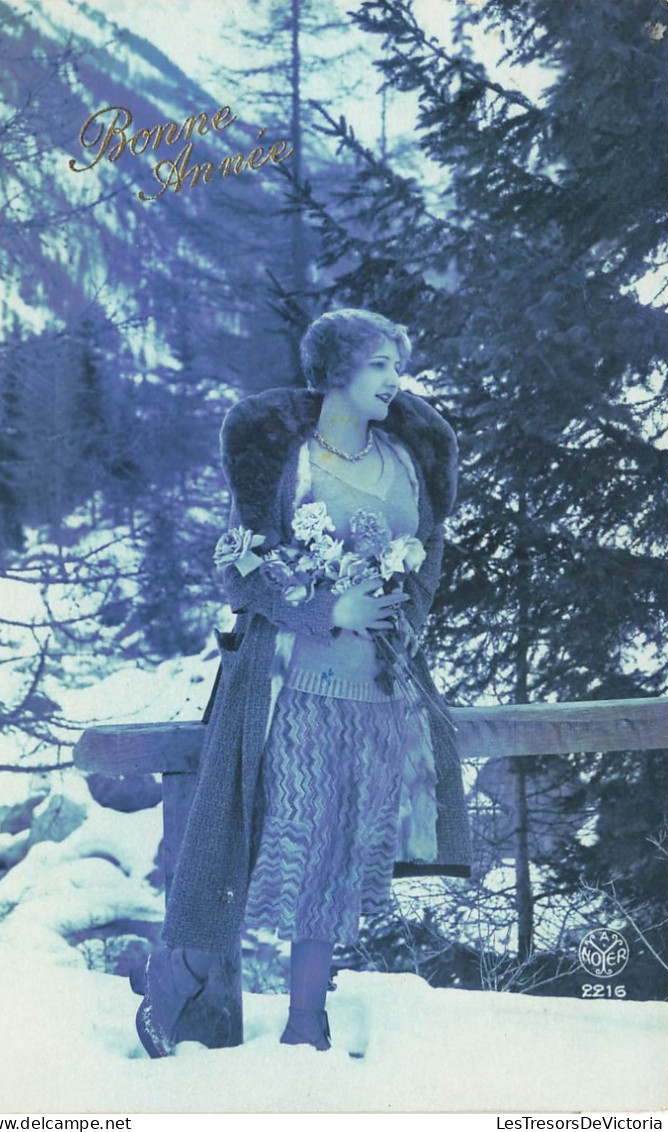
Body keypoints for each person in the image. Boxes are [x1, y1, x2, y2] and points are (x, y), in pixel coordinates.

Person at [136, 309, 472, 1057]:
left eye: (397, 365)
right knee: (259, 844)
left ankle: (304, 1027)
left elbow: (431, 547)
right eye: (381, 364)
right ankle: (174, 983)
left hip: (378, 693)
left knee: (336, 863)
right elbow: (236, 567)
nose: (395, 380)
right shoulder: (286, 462)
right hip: (288, 687)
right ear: (337, 370)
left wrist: (403, 615)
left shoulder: (406, 459)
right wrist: (326, 606)